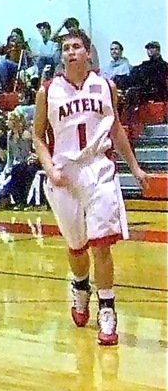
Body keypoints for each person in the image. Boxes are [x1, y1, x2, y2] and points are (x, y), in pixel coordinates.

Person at [32, 28, 149, 345]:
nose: (70, 52)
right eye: (65, 48)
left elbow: (118, 129)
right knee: (77, 246)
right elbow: (37, 137)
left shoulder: (105, 86)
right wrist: (50, 168)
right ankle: (80, 285)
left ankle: (108, 309)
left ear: (88, 52)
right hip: (65, 172)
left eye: (76, 46)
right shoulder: (48, 91)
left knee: (102, 244)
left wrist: (135, 168)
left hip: (99, 168)